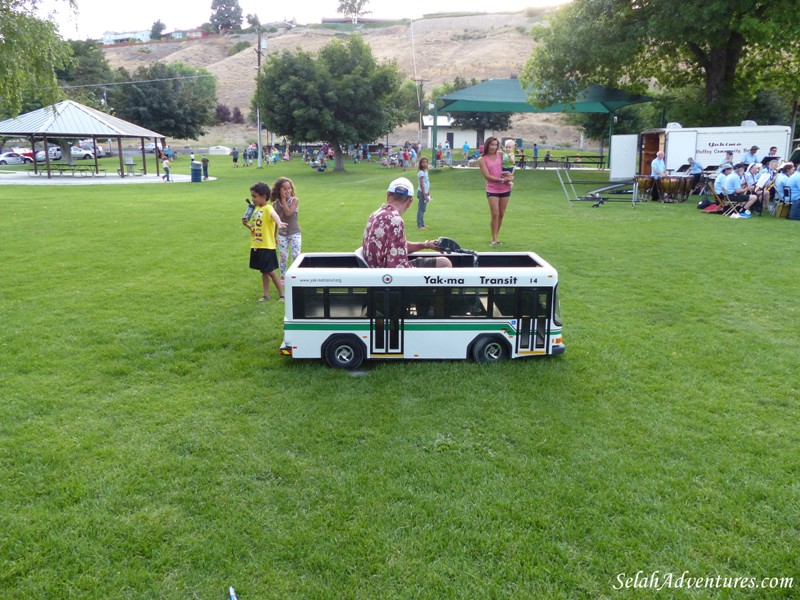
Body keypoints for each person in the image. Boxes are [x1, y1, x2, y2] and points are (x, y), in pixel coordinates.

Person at [362, 177, 451, 268]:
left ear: (388, 195)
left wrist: (426, 245)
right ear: (410, 202)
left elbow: (397, 248)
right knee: (445, 264)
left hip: (377, 270)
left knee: (443, 262)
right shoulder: (395, 220)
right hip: (387, 276)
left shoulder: (375, 214)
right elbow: (398, 266)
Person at [243, 181, 287, 301]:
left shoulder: (268, 208)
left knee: (270, 271)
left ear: (264, 197)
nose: (253, 199)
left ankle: (282, 295)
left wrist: (279, 223)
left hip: (266, 246)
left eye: (254, 196)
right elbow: (255, 228)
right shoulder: (257, 210)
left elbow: (274, 215)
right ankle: (266, 295)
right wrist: (247, 225)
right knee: (264, 272)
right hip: (257, 245)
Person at [479, 136, 513, 246]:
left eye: (496, 145)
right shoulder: (482, 159)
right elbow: (487, 176)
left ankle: (497, 237)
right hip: (492, 189)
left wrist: (510, 176)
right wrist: (501, 180)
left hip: (505, 188)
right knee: (495, 213)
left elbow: (510, 167)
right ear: (487, 145)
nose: (494, 147)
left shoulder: (501, 155)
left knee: (501, 214)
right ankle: (493, 239)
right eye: (492, 145)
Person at [271, 177, 301, 281]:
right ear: (279, 190)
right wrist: (274, 236)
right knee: (283, 256)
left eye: (289, 188)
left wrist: (283, 200)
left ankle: (294, 274)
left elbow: (288, 213)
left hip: (294, 232)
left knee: (296, 254)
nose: (288, 191)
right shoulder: (275, 205)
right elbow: (276, 222)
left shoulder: (294, 201)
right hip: (282, 234)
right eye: (284, 189)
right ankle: (283, 276)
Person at [416, 156, 431, 229]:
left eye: (426, 162)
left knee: (423, 209)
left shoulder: (426, 172)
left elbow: (427, 183)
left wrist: (428, 193)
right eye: (423, 162)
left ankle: (422, 223)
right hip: (422, 192)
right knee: (421, 209)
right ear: (420, 164)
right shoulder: (421, 172)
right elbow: (421, 184)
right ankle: (419, 225)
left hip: (425, 192)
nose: (425, 164)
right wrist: (424, 194)